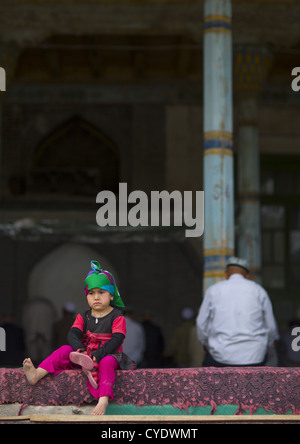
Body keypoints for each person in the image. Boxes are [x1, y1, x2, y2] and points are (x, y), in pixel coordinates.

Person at [23, 260, 134, 416]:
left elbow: (117, 339)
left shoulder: (117, 316)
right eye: (91, 293)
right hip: (85, 353)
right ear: (86, 296)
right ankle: (36, 374)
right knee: (64, 350)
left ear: (111, 295)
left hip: (109, 354)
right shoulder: (84, 315)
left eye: (101, 293)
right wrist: (79, 349)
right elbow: (73, 333)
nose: (96, 297)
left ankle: (103, 400)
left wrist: (99, 354)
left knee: (107, 362)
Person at [196, 256, 278, 367]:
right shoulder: (259, 291)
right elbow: (271, 327)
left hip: (221, 356)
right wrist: (266, 346)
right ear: (247, 276)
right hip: (254, 356)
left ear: (226, 274)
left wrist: (206, 345)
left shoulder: (213, 290)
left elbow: (201, 324)